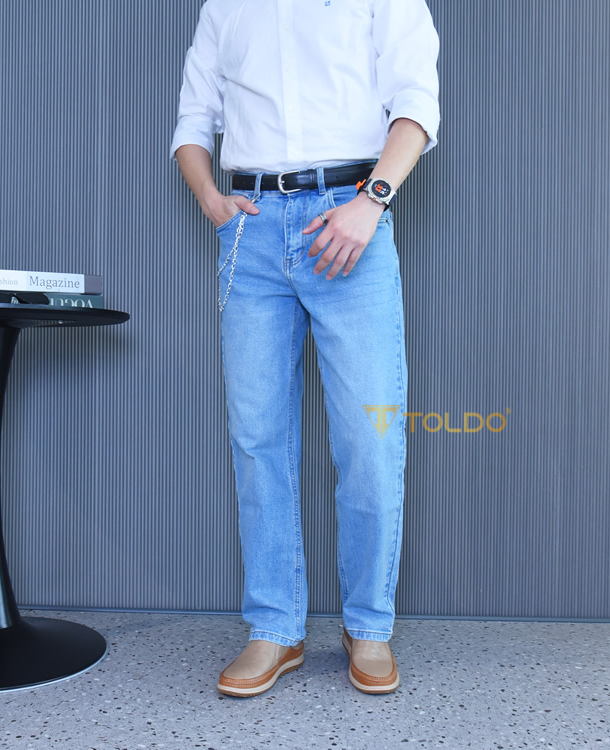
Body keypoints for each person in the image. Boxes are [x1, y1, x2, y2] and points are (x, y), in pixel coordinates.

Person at [171, 0, 440, 697]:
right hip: (251, 229)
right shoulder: (224, 6)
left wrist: (371, 200)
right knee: (258, 437)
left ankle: (368, 626)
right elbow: (193, 120)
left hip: (350, 216)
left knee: (369, 437)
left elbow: (416, 103)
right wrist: (212, 203)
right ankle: (276, 627)